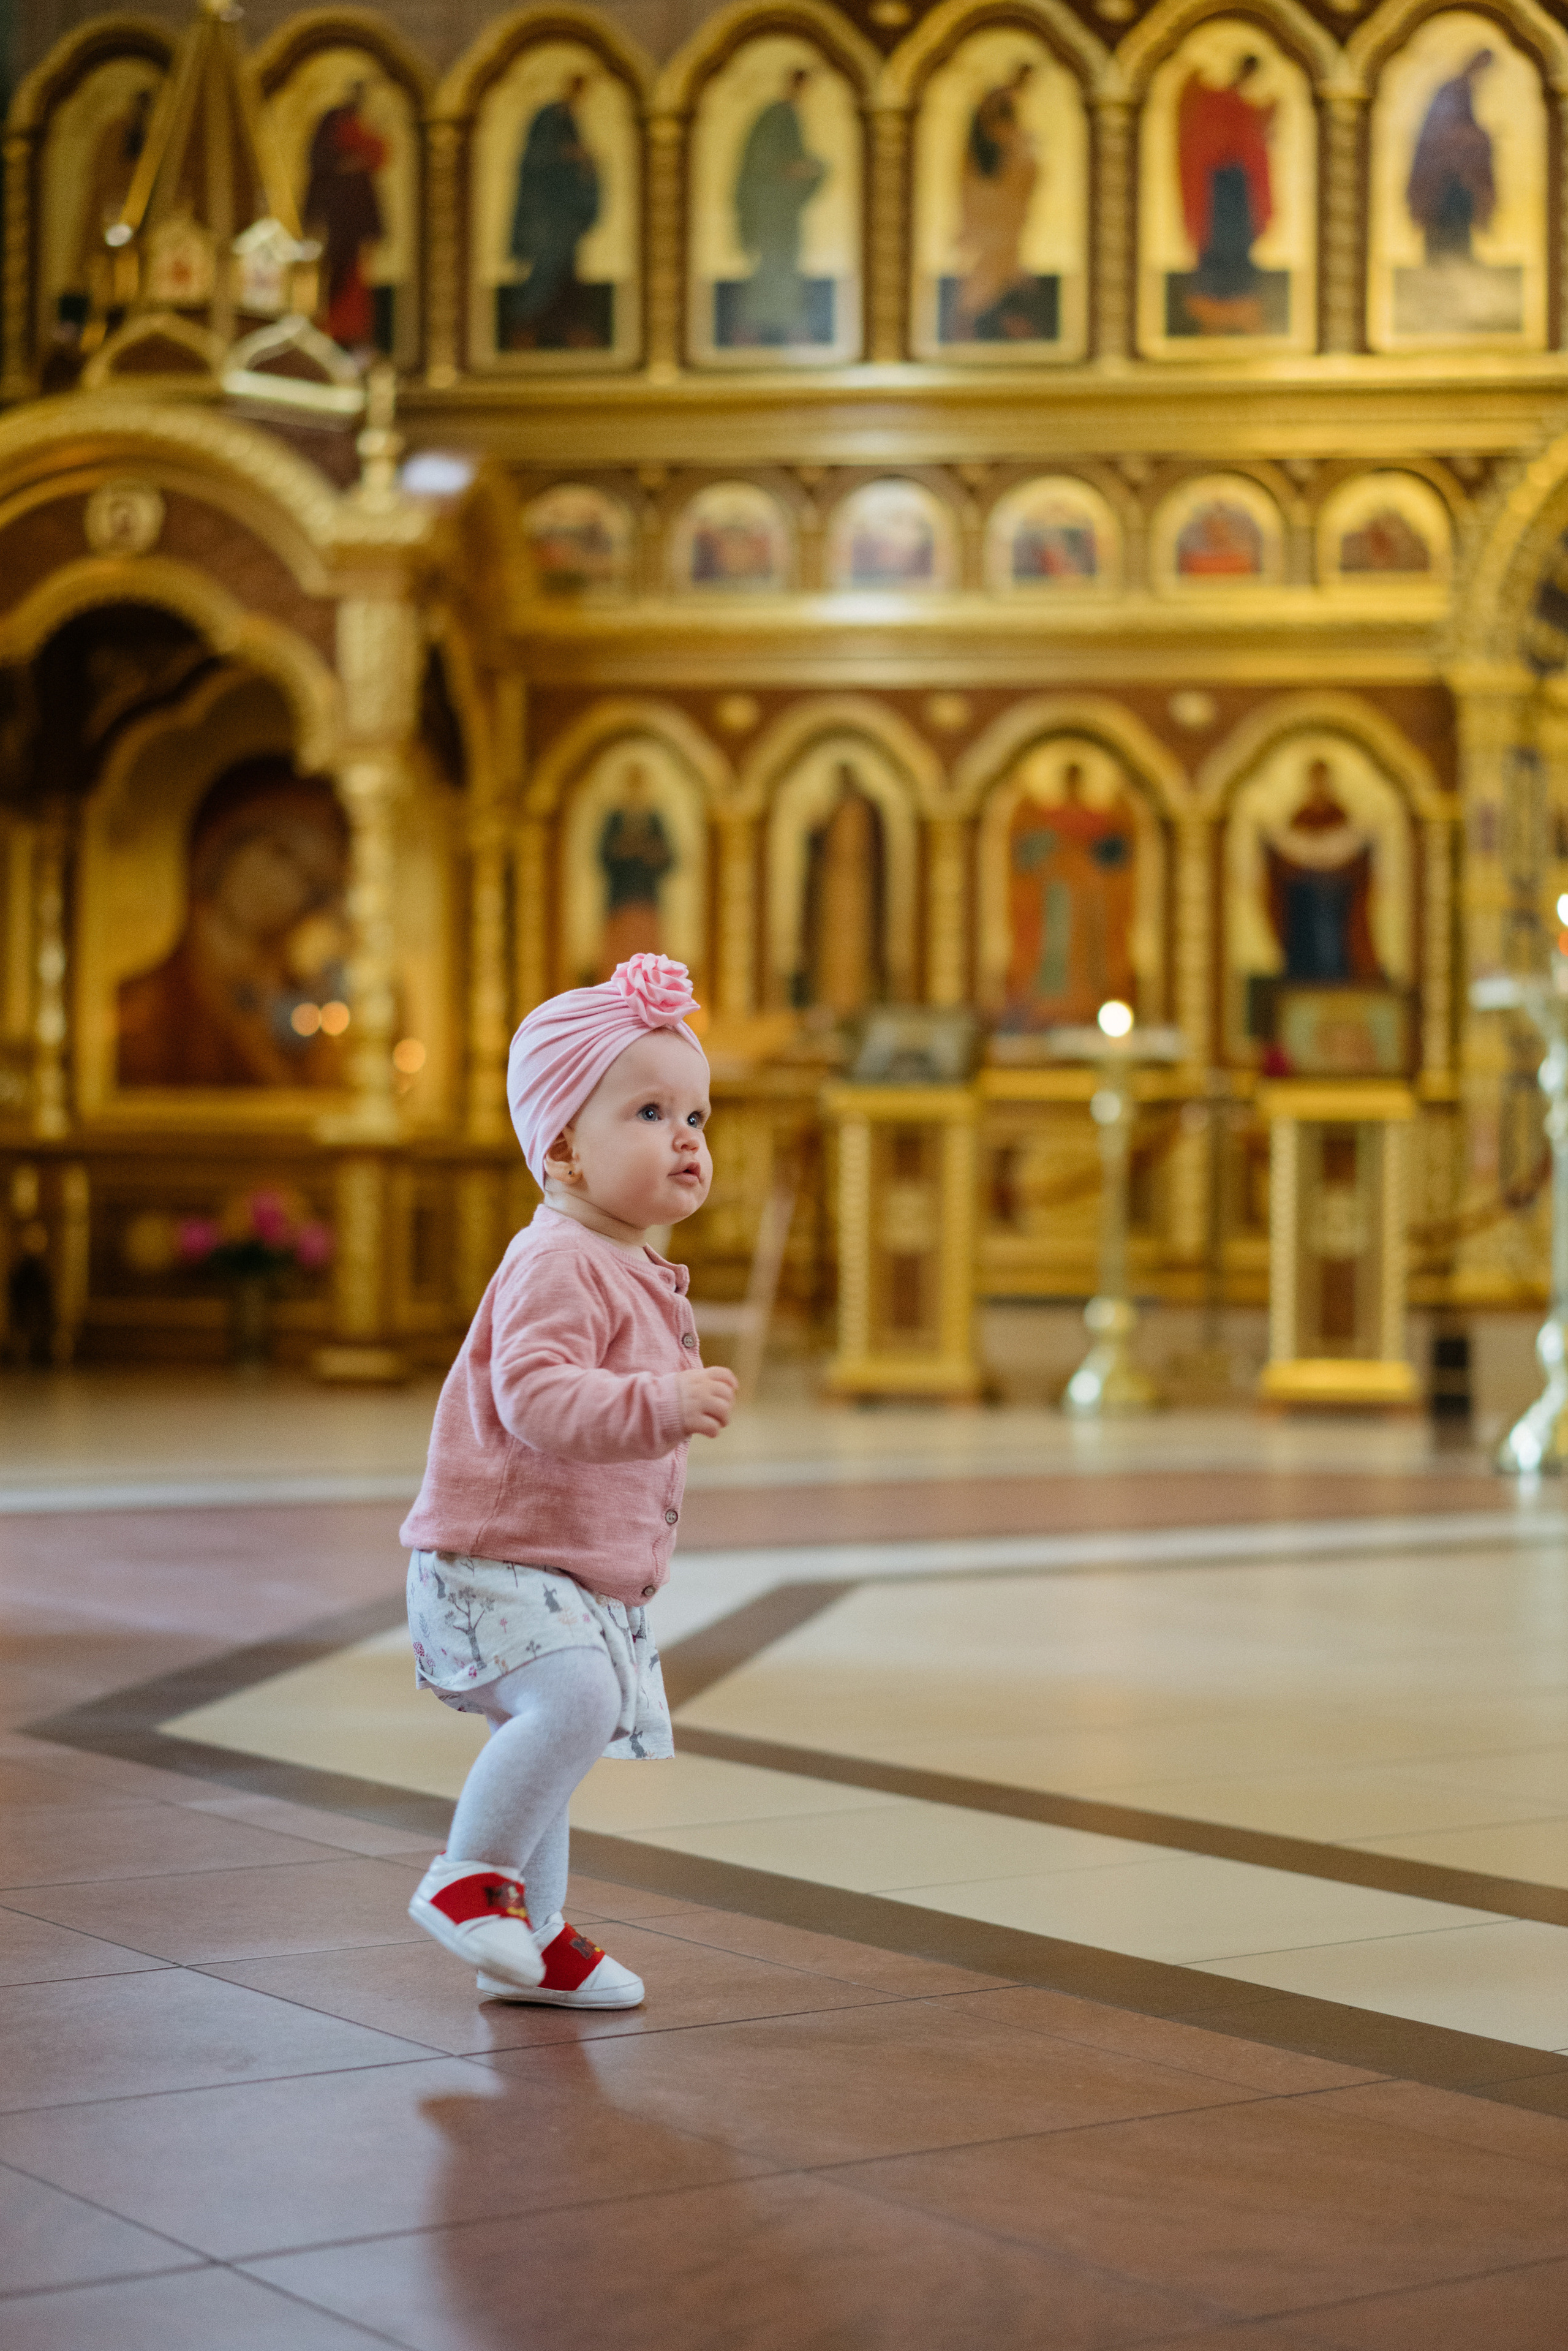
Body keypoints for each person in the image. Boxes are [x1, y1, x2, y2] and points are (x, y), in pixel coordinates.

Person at [402, 954, 736, 2008]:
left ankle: (535, 1937)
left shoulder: (623, 1258)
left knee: (552, 1726)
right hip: (493, 1556)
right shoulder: (557, 1258)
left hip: (559, 1565)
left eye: (697, 1114)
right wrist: (663, 1405)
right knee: (577, 1699)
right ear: (564, 1149)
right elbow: (539, 1399)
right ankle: (469, 1883)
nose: (687, 1136)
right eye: (649, 1110)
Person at [116, 760, 350, 1089]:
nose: (286, 885)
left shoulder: (312, 1009)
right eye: (280, 854)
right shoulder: (140, 1005)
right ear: (220, 845)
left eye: (312, 881)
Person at [1177, 54, 1275, 329]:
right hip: (1221, 187)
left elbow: (1251, 140)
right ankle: (1213, 302)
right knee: (1218, 244)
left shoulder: (1240, 103)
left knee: (1239, 245)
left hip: (1240, 186)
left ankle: (1240, 298)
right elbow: (1213, 139)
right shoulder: (1219, 100)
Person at [1264, 759, 1382, 983]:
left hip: (1338, 903)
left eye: (1323, 781)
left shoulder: (1341, 817)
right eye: (1315, 781)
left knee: (1333, 945)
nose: (1319, 787)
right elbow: (1284, 862)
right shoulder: (1299, 819)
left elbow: (1356, 860)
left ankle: (1335, 972)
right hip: (1303, 906)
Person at [733, 67, 826, 342]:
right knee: (771, 268)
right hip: (770, 209)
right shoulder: (776, 115)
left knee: (786, 268)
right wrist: (797, 169)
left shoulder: (791, 115)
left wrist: (810, 168)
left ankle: (788, 329)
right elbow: (764, 161)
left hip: (784, 210)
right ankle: (750, 332)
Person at [509, 75, 600, 342]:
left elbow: (581, 165)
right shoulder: (549, 118)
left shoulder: (571, 121)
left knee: (568, 273)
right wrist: (570, 154)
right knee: (544, 271)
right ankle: (524, 329)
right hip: (546, 213)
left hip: (567, 213)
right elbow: (537, 158)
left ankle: (572, 330)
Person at [952, 63, 1038, 337]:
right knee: (991, 267)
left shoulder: (1005, 109)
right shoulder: (995, 105)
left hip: (1006, 209)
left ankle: (999, 322)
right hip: (991, 208)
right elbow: (991, 152)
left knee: (1005, 265)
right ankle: (968, 324)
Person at [303, 80, 388, 350]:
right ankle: (331, 333)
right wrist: (348, 163)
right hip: (335, 217)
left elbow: (379, 154)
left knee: (357, 279)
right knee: (334, 276)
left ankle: (354, 334)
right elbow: (321, 160)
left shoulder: (362, 124)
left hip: (357, 220)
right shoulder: (332, 122)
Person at [1406, 50, 1495, 263]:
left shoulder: (1462, 91)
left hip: (1456, 176)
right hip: (1443, 176)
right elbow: (1444, 132)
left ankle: (1459, 257)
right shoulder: (1453, 91)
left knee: (1460, 218)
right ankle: (1445, 258)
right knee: (1446, 217)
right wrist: (1475, 138)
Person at [597, 764, 673, 973]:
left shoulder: (654, 820)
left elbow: (670, 860)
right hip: (619, 902)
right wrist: (624, 848)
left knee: (648, 962)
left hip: (647, 901)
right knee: (618, 960)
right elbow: (603, 857)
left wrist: (647, 850)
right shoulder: (615, 819)